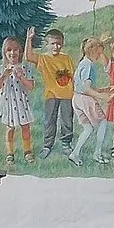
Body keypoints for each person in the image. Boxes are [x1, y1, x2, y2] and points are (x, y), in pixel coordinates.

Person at [29, 27, 76, 160]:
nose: (56, 46)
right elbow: (28, 56)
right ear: (47, 44)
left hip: (67, 94)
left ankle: (66, 144)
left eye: (59, 43)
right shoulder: (43, 59)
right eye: (53, 43)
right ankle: (47, 146)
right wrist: (29, 39)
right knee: (50, 120)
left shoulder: (66, 58)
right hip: (51, 95)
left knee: (67, 120)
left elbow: (72, 76)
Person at [0, 36, 36, 165]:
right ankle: (10, 153)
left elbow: (31, 86)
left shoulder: (25, 68)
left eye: (16, 49)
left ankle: (27, 151)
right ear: (4, 53)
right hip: (8, 103)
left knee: (25, 127)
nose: (12, 53)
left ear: (20, 51)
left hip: (21, 102)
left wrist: (21, 77)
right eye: (9, 50)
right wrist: (3, 76)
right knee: (10, 128)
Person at [70, 37, 109, 166]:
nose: (99, 56)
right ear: (91, 51)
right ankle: (97, 153)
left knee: (88, 128)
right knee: (103, 121)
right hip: (85, 99)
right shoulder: (89, 65)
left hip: (76, 99)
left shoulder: (82, 63)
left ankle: (75, 153)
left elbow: (82, 86)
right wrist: (101, 97)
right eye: (98, 53)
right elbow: (86, 89)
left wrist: (101, 90)